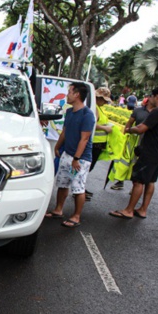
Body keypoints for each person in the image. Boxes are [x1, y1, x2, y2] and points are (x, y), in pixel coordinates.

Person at [109, 86, 158, 219]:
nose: (149, 99)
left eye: (151, 96)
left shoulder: (157, 112)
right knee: (150, 181)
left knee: (138, 181)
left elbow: (141, 128)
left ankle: (129, 210)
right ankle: (143, 209)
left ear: (157, 97)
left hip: (149, 152)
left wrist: (129, 130)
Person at [45, 82, 96, 228]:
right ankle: (58, 210)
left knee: (78, 188)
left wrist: (76, 159)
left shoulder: (87, 115)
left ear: (77, 94)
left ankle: (76, 216)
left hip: (80, 159)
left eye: (69, 92)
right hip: (66, 154)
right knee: (62, 183)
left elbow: (84, 139)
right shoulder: (69, 112)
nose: (67, 95)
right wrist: (59, 147)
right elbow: (65, 131)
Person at [109, 96, 155, 190]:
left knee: (139, 164)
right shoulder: (138, 111)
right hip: (134, 140)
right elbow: (129, 123)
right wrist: (124, 135)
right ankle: (120, 181)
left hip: (147, 142)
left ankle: (136, 186)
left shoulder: (157, 113)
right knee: (126, 161)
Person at [85, 87, 113, 200]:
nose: (105, 102)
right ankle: (79, 189)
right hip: (94, 143)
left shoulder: (99, 108)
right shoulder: (95, 108)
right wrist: (105, 128)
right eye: (104, 100)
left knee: (89, 167)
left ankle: (81, 188)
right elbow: (92, 124)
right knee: (87, 167)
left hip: (98, 144)